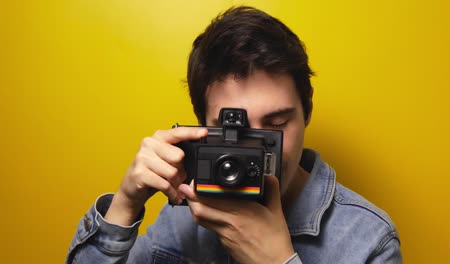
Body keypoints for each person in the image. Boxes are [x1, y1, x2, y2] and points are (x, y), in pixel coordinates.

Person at [67, 6, 401, 264]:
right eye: (234, 130)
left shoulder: (368, 238)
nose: (256, 151)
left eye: (276, 124)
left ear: (307, 111)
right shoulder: (184, 210)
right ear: (201, 127)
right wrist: (125, 206)